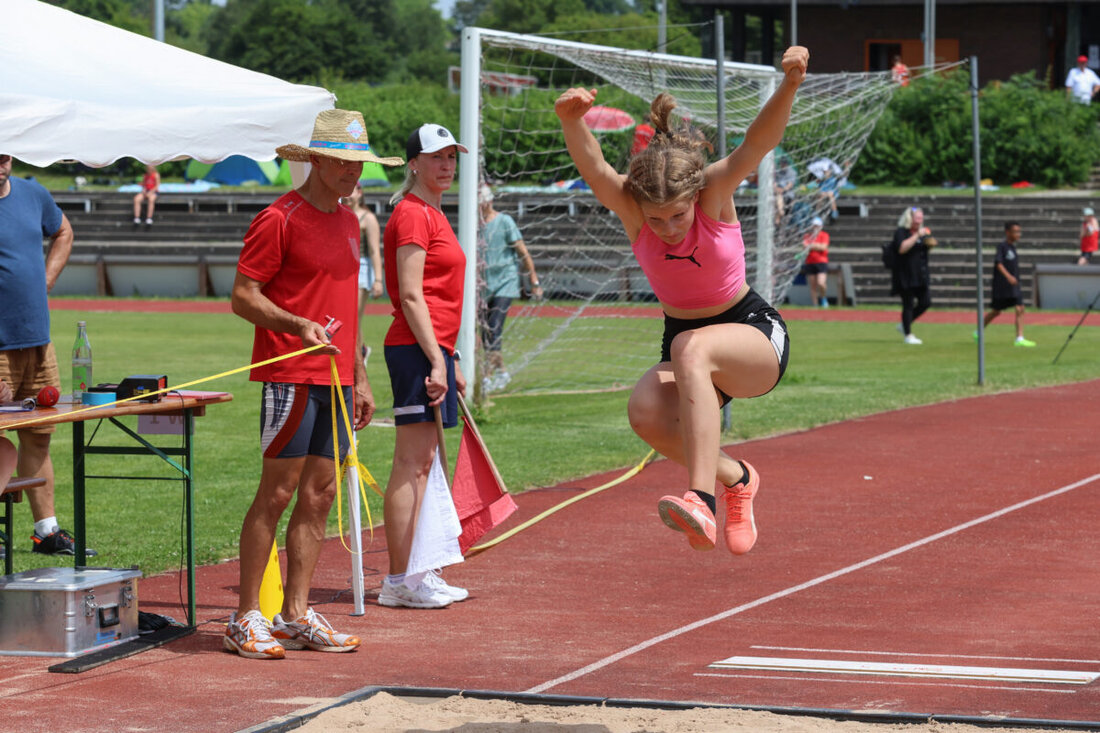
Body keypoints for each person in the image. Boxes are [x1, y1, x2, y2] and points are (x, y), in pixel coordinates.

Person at [553, 46, 806, 557]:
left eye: (677, 217)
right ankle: (738, 479)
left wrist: (790, 84)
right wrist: (570, 121)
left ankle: (701, 500)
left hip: (750, 333)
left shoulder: (713, 192)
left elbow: (757, 143)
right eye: (656, 221)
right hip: (685, 339)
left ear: (695, 199)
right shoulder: (632, 205)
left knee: (691, 347)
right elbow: (596, 167)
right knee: (645, 412)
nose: (667, 230)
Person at [224, 109, 396, 659]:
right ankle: (247, 616)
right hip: (288, 374)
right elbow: (242, 296)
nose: (353, 173)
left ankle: (295, 615)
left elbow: (352, 309)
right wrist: (296, 325)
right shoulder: (279, 218)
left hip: (338, 380)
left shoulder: (350, 222)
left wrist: (360, 374)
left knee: (320, 496)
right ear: (317, 161)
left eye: (359, 164)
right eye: (344, 162)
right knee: (276, 493)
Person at [378, 123, 471, 609]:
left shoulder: (431, 212)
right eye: (437, 157)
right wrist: (437, 357)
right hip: (415, 350)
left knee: (424, 465)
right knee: (411, 466)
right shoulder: (414, 215)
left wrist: (447, 356)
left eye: (452, 157)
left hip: (431, 350)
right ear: (413, 162)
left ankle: (418, 572)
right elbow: (411, 296)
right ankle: (398, 580)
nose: (447, 165)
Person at [0, 152, 95, 558]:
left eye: (3, 154)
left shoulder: (32, 193)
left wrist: (47, 279)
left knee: (38, 436)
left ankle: (46, 532)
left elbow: (63, 231)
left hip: (38, 342)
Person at [478, 183, 543, 394]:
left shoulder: (505, 221)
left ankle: (486, 377)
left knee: (495, 327)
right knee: (486, 332)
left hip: (505, 283)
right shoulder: (475, 226)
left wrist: (533, 280)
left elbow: (523, 252)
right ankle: (503, 372)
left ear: (489, 201)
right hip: (483, 286)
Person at [979, 221, 1036, 347]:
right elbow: (998, 263)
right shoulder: (1002, 247)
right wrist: (1009, 277)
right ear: (1007, 232)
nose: (1018, 234)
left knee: (1020, 308)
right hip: (1003, 286)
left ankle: (1019, 338)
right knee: (996, 311)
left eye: (1019, 232)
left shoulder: (1013, 248)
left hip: (1014, 285)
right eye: (1015, 232)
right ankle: (979, 331)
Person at [889, 206, 937, 344]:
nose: (919, 221)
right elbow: (902, 248)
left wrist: (930, 242)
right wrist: (916, 236)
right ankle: (908, 335)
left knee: (926, 302)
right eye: (917, 218)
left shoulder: (923, 232)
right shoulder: (901, 232)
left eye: (921, 218)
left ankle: (904, 325)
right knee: (908, 304)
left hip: (920, 274)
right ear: (910, 218)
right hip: (905, 274)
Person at [342, 182, 384, 315]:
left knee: (353, 318)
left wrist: (378, 280)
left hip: (362, 269)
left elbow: (374, 250)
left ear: (359, 193)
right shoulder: (338, 214)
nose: (347, 196)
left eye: (350, 192)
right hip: (341, 270)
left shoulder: (368, 218)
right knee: (342, 318)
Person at [801, 216, 830, 308]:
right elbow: (805, 247)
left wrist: (811, 245)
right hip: (810, 262)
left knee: (821, 283)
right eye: (814, 226)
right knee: (813, 285)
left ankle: (823, 298)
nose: (815, 228)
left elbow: (823, 247)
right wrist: (816, 246)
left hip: (821, 262)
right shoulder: (807, 236)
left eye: (817, 226)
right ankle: (815, 305)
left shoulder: (824, 235)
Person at [132, 164, 160, 229]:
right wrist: (144, 191)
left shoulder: (156, 175)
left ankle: (149, 218)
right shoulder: (145, 175)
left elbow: (157, 186)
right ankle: (137, 217)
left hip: (153, 191)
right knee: (136, 199)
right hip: (146, 191)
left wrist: (150, 192)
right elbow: (144, 185)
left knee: (151, 199)